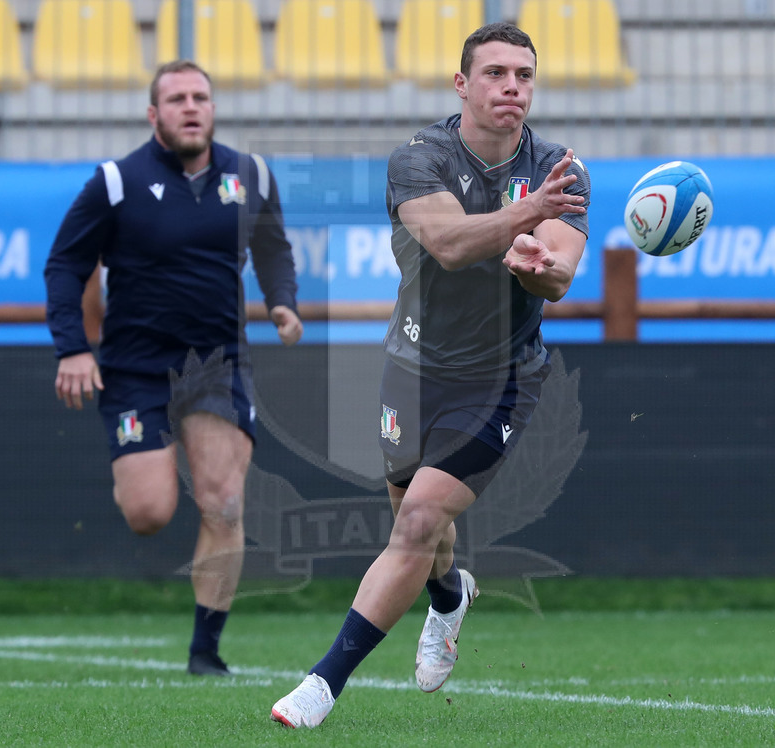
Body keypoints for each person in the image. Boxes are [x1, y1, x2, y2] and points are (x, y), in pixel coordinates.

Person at [271, 21, 589, 727]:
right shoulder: (419, 158)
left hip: (501, 378)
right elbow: (446, 243)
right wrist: (524, 214)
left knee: (416, 521)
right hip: (413, 369)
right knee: (422, 535)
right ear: (462, 84)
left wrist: (540, 269)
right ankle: (450, 597)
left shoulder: (561, 167)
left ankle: (322, 684)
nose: (512, 87)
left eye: (524, 76)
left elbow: (561, 274)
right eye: (497, 73)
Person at [44, 60, 303, 677]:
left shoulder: (252, 175)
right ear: (153, 114)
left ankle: (205, 652)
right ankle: (145, 468)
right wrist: (73, 347)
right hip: (134, 369)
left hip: (216, 365)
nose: (192, 107)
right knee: (149, 512)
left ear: (213, 108)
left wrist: (282, 302)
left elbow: (272, 247)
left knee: (225, 502)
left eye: (201, 97)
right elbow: (64, 265)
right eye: (177, 98)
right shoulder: (115, 182)